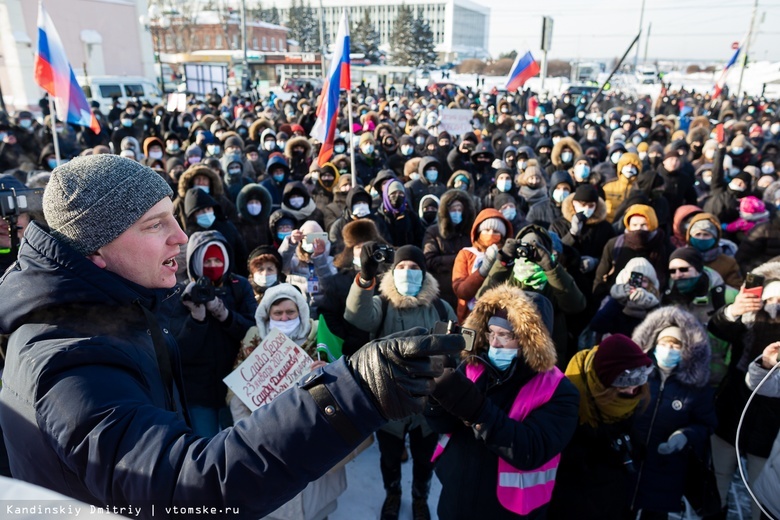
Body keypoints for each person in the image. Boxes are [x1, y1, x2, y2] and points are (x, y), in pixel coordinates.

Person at [0, 154, 462, 519]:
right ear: (96, 248)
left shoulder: (113, 311)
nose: (181, 237)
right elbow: (188, 484)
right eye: (155, 224)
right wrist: (352, 393)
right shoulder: (69, 362)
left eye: (172, 217)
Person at [425, 285, 580, 520]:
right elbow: (442, 425)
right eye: (491, 333)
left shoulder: (559, 390)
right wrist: (437, 393)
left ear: (531, 340)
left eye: (505, 335)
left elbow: (530, 450)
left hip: (508, 511)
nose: (494, 344)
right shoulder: (472, 366)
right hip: (455, 499)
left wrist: (476, 410)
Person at [345, 244, 457, 520]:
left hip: (427, 402)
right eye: (402, 267)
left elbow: (454, 350)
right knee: (390, 457)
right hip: (387, 399)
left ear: (424, 273)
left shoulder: (440, 308)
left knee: (424, 459)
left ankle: (421, 497)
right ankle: (392, 494)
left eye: (415, 268)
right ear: (393, 271)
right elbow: (357, 316)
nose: (408, 272)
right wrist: (364, 277)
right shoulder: (382, 303)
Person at [549, 334, 654, 519]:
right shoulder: (569, 409)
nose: (631, 392)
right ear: (602, 384)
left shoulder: (628, 405)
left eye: (637, 385)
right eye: (623, 386)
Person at [628, 307, 718, 518]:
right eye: (663, 343)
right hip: (629, 463)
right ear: (653, 345)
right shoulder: (637, 376)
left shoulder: (696, 387)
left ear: (686, 349)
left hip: (666, 469)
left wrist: (685, 435)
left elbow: (706, 424)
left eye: (675, 345)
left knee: (655, 514)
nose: (668, 349)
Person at [176, 230, 257, 437]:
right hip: (199, 391)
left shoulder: (240, 287)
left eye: (217, 259)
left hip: (238, 385)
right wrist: (197, 319)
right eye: (207, 260)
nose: (213, 265)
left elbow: (252, 333)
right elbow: (180, 352)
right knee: (206, 447)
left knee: (242, 443)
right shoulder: (181, 293)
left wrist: (224, 314)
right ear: (196, 261)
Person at [451, 208, 512, 323]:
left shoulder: (507, 257)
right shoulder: (466, 254)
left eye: (496, 231)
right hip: (468, 317)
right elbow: (461, 291)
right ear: (478, 232)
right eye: (487, 230)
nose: (490, 234)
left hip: (498, 319)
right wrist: (484, 269)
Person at [422, 189, 476, 310]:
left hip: (467, 289)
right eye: (453, 210)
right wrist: (460, 259)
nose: (456, 213)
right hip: (442, 290)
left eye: (459, 210)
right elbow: (429, 259)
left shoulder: (470, 233)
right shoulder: (433, 232)